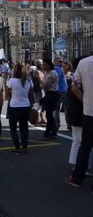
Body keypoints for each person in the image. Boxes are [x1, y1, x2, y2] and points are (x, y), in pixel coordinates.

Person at [66, 55, 93, 187]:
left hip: (90, 111)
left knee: (85, 146)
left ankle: (77, 178)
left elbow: (74, 87)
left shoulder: (84, 63)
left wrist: (86, 100)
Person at [6, 63, 33, 154]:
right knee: (24, 127)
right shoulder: (28, 81)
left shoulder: (12, 81)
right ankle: (25, 147)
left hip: (14, 106)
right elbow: (30, 94)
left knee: (13, 128)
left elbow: (6, 94)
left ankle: (17, 147)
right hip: (26, 105)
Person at [40, 58, 60, 140]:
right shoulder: (46, 73)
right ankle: (50, 132)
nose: (43, 66)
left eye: (45, 65)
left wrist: (43, 84)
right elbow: (43, 85)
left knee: (49, 114)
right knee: (48, 114)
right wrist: (43, 84)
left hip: (53, 94)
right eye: (43, 65)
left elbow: (46, 85)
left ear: (49, 65)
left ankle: (51, 132)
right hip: (48, 94)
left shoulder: (52, 72)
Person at [53, 56, 68, 132]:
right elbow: (57, 79)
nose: (61, 63)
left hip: (62, 91)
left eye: (62, 61)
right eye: (60, 61)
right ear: (55, 61)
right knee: (61, 108)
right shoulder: (57, 68)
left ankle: (57, 124)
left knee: (59, 108)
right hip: (61, 91)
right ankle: (59, 124)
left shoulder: (59, 68)